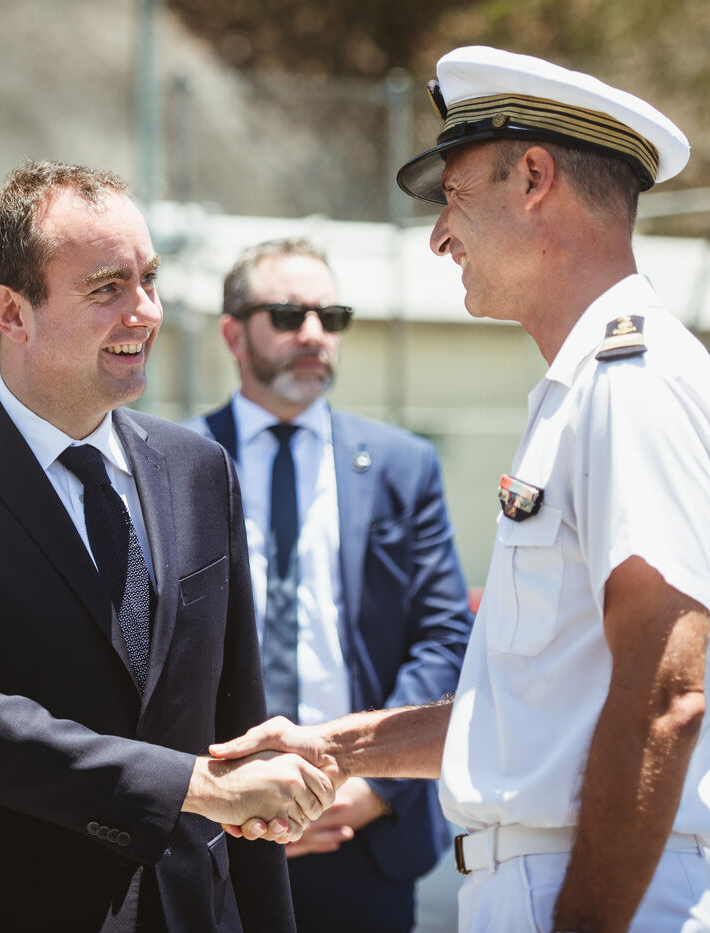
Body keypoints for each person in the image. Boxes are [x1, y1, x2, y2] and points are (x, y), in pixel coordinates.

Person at [211, 46, 710, 933]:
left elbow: (666, 696)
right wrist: (332, 746)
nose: (439, 235)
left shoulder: (631, 382)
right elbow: (520, 715)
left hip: (586, 889)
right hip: (549, 877)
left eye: (455, 196)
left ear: (535, 177)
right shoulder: (587, 388)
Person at [0, 161, 335, 932]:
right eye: (108, 287)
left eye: (150, 279)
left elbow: (237, 716)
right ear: (10, 311)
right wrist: (195, 786)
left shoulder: (198, 469)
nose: (146, 312)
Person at [186, 238, 474, 932]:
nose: (313, 333)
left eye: (331, 316)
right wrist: (225, 797)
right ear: (233, 334)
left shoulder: (403, 465)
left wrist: (373, 780)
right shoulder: (174, 462)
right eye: (288, 315)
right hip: (214, 838)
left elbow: (444, 637)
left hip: (363, 835)